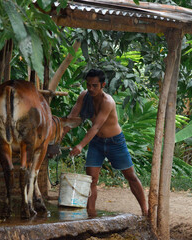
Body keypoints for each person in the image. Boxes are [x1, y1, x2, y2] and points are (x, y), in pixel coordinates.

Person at [63, 69, 148, 217]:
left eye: (94, 85)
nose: (90, 89)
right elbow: (72, 116)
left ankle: (145, 211)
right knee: (92, 180)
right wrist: (58, 135)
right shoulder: (84, 96)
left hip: (115, 142)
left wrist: (81, 145)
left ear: (103, 85)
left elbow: (96, 127)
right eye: (88, 85)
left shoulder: (108, 102)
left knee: (131, 176)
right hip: (96, 142)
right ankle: (91, 215)